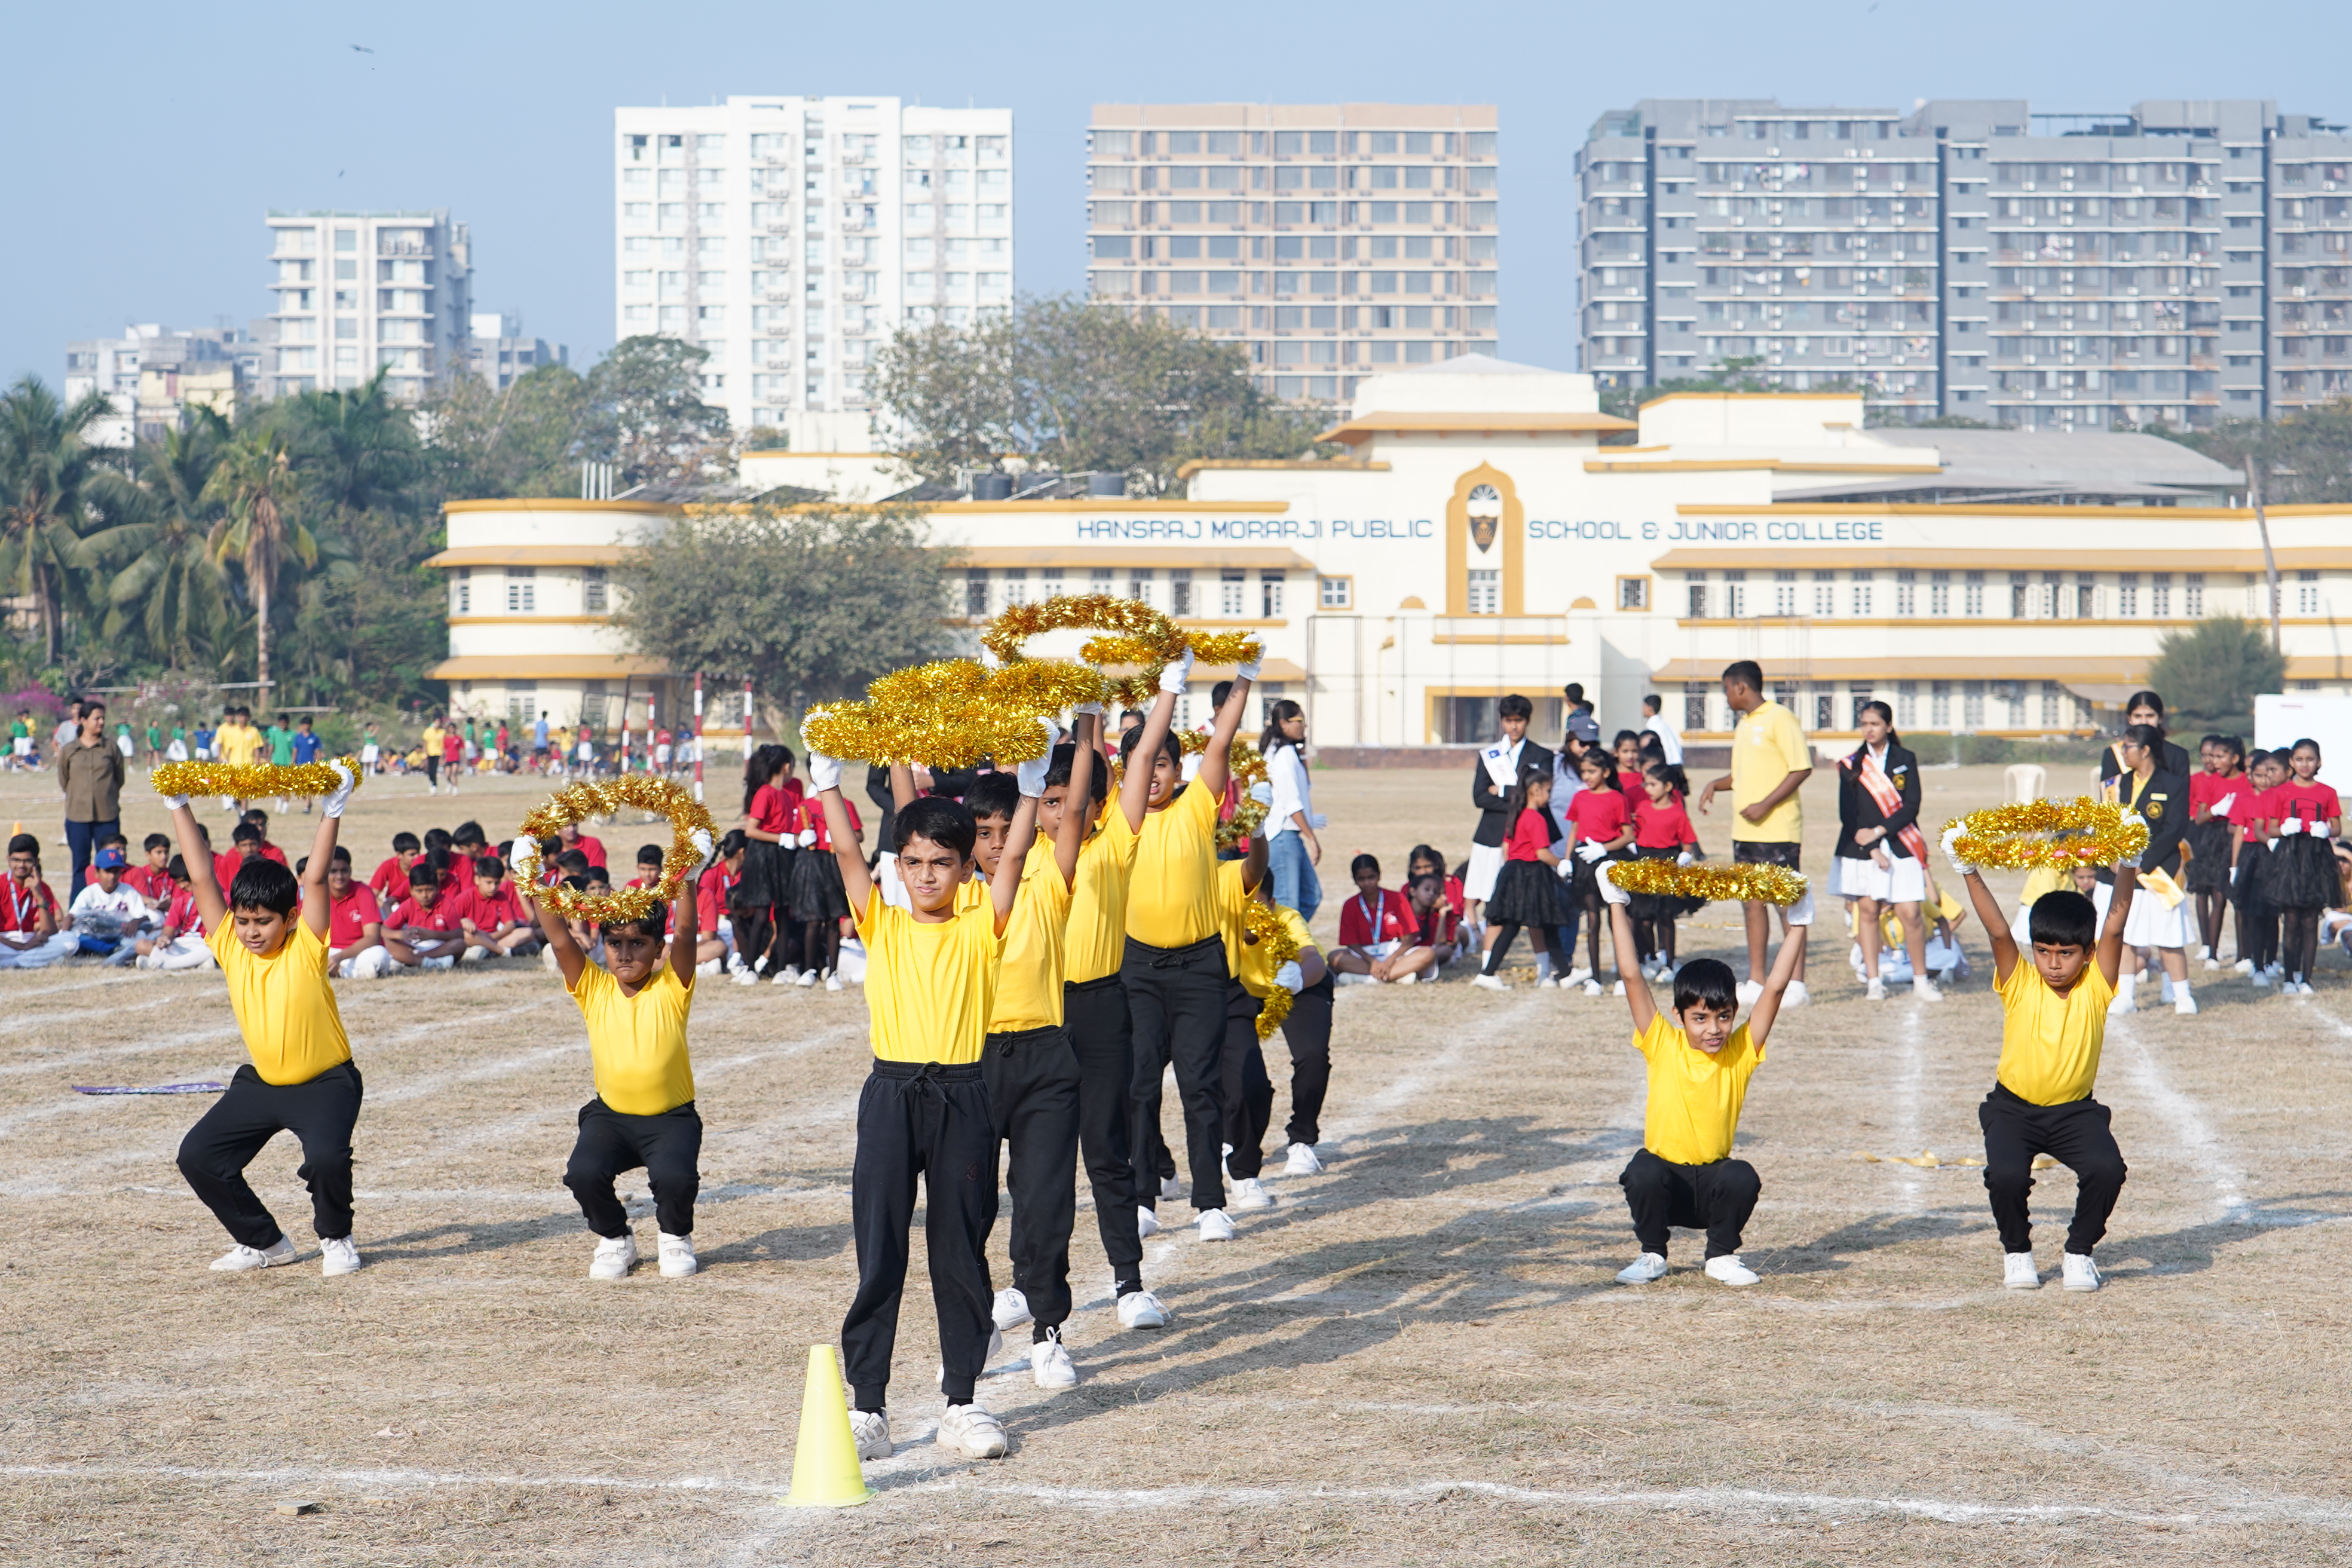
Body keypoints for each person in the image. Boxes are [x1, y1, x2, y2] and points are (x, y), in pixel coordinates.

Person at [803, 733, 1039, 1466]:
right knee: (880, 1252)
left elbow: (1020, 856)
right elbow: (846, 855)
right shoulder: (884, 921)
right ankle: (867, 1405)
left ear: (969, 867)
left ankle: (962, 1402)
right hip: (891, 1093)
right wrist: (826, 782)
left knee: (961, 1251)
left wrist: (1030, 789)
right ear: (897, 866)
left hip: (966, 1095)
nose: (928, 874)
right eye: (914, 861)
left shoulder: (983, 921)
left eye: (944, 861)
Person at [166, 761, 367, 1277]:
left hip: (326, 1083)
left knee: (325, 1159)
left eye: (264, 922)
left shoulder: (307, 944)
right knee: (198, 1157)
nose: (252, 932)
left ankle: (336, 1238)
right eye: (246, 921)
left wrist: (332, 810)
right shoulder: (230, 945)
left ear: (291, 918)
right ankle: (266, 1242)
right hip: (261, 1084)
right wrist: (178, 804)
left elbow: (315, 876)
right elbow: (202, 873)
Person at [1947, 812, 2142, 1293]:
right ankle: (2018, 1253)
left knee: (2108, 1169)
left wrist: (2129, 866)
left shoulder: (2098, 985)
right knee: (2007, 1176)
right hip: (2012, 1109)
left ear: (2088, 953)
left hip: (2075, 1113)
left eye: (2066, 954)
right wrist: (1967, 868)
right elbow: (1996, 931)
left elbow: (2115, 928)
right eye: (2044, 951)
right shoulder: (2020, 981)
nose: (2054, 964)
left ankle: (2079, 1252)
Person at [1596, 858, 1811, 1287]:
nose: (1714, 1029)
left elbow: (1775, 987)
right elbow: (1631, 975)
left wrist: (1799, 923)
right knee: (1642, 1169)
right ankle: (1653, 1254)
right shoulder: (1662, 1042)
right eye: (1700, 1019)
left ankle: (1720, 1256)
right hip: (1665, 1185)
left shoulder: (1741, 1050)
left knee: (1742, 1175)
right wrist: (1616, 903)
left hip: (1712, 1186)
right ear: (1679, 1016)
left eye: (1724, 1017)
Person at [967, 715, 1095, 1389]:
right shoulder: (954, 896)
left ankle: (1048, 1329)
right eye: (980, 836)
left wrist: (1084, 724)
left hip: (1046, 1054)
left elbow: (1071, 806)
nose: (994, 847)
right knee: (969, 1204)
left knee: (1046, 1202)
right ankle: (974, 1325)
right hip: (973, 1060)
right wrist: (898, 753)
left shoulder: (1049, 871)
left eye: (1001, 833)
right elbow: (907, 817)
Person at [532, 820, 713, 1282]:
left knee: (676, 1180)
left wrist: (688, 879)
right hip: (610, 1116)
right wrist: (533, 882)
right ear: (604, 948)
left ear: (658, 950)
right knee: (582, 1173)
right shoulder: (592, 987)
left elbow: (688, 931)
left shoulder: (673, 985)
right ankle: (616, 1237)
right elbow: (558, 939)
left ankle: (674, 1236)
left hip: (670, 1118)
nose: (626, 953)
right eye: (615, 943)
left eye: (638, 944)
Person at [1123, 651, 1261, 1243]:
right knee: (1140, 1084)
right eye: (1141, 763)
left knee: (1201, 1084)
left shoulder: (1196, 806)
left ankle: (1209, 1199)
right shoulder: (1120, 815)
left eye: (1163, 763)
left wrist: (1246, 676)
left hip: (1201, 965)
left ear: (1179, 770)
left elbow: (1222, 741)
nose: (1152, 772)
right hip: (1138, 968)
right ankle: (1142, 1195)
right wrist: (1166, 693)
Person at [1053, 687, 1169, 1325]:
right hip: (1041, 1015)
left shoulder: (1112, 842)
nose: (1061, 811)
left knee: (1105, 1150)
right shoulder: (1024, 859)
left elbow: (1143, 751)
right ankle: (1029, 1285)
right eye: (1046, 802)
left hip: (1100, 1008)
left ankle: (1129, 1283)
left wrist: (1100, 711)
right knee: (1039, 1164)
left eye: (1071, 800)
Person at [1696, 660, 1813, 1007]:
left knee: (1785, 906)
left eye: (1726, 689)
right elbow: (1740, 775)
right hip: (1744, 832)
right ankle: (1756, 980)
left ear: (1741, 687)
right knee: (1751, 905)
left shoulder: (1781, 718)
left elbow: (1801, 768)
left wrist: (1764, 804)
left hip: (1778, 831)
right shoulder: (1745, 725)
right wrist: (1714, 785)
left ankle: (1796, 983)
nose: (1726, 696)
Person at [1835, 700, 1939, 1003]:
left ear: (1889, 726)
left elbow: (1912, 805)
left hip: (1900, 843)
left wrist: (1881, 833)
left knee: (1911, 914)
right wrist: (1870, 848)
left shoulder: (1906, 758)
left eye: (1875, 724)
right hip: (1862, 849)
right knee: (1867, 912)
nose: (1869, 729)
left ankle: (1921, 981)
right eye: (1864, 724)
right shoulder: (1851, 764)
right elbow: (1848, 815)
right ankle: (1874, 982)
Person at [1474, 762, 1568, 990]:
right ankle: (1563, 973)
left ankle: (1564, 972)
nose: (1549, 795)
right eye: (1547, 790)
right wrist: (1563, 864)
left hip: (1514, 873)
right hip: (1531, 875)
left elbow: (1507, 848)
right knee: (1534, 924)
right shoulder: (1536, 818)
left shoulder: (1518, 815)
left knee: (1527, 925)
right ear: (1536, 790)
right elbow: (1543, 853)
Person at [1465, 696, 1554, 927]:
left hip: (1526, 837)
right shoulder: (1490, 755)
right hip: (1492, 834)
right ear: (1502, 722)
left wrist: (1503, 789)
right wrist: (1520, 799)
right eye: (1508, 720)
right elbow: (1480, 797)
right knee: (1486, 893)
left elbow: (1542, 792)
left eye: (1519, 720)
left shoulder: (1542, 756)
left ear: (1528, 721)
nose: (1514, 726)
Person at [2262, 738, 2342, 996]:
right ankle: (2288, 978)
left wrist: (2327, 829)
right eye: (2299, 759)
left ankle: (2306, 979)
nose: (2305, 764)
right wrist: (2284, 829)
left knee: (2310, 920)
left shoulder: (2327, 792)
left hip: (2317, 858)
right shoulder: (2281, 792)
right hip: (2290, 858)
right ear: (2292, 763)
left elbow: (2338, 826)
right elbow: (2272, 826)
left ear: (2319, 762)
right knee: (2292, 919)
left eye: (2310, 759)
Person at [1561, 748, 1636, 994]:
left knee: (1618, 920)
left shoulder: (1617, 799)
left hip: (1609, 860)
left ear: (1605, 772)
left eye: (1592, 771)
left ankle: (1621, 975)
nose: (1587, 776)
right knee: (1592, 920)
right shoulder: (1580, 797)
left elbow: (1628, 835)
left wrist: (1604, 849)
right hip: (1584, 861)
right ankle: (1595, 977)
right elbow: (1574, 829)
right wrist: (1567, 859)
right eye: (1583, 771)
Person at [1627, 761, 1702, 981]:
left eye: (1652, 784)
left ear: (1668, 786)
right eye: (1646, 784)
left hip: (1667, 863)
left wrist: (1685, 856)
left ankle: (1669, 964)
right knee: (1642, 917)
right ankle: (1648, 958)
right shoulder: (1642, 809)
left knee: (1665, 916)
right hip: (1644, 863)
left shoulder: (1677, 813)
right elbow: (1635, 834)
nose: (1647, 789)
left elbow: (1688, 841)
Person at [731, 745, 800, 984]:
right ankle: (749, 967)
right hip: (763, 856)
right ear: (786, 766)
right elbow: (751, 830)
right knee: (762, 912)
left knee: (782, 913)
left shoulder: (787, 793)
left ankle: (781, 968)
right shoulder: (766, 793)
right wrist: (783, 838)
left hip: (783, 855)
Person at [786, 779, 858, 990]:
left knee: (834, 919)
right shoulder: (804, 807)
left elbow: (859, 834)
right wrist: (801, 839)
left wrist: (842, 837)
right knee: (813, 920)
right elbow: (794, 836)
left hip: (833, 863)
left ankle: (833, 972)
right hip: (810, 865)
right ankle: (810, 969)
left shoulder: (846, 805)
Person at [2185, 735, 2246, 969]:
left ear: (2234, 758)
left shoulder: (2244, 782)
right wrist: (2216, 810)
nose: (2215, 761)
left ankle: (2244, 955)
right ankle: (2211, 951)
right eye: (2213, 756)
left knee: (2233, 897)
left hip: (2234, 838)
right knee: (2215, 896)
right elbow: (2200, 817)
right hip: (2212, 839)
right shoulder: (2210, 782)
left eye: (2220, 757)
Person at [1260, 699, 1322, 921]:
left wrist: (1303, 751)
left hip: (1289, 835)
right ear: (1284, 723)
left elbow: (1305, 787)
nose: (1304, 726)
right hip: (1283, 835)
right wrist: (1312, 838)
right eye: (1300, 721)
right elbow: (1291, 803)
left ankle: (1293, 944)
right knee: (1288, 903)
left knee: (1311, 895)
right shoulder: (1283, 754)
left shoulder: (1288, 751)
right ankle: (1283, 951)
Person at [57, 699, 127, 895]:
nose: (102, 722)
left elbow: (119, 778)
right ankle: (78, 910)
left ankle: (110, 908)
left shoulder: (111, 748)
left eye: (103, 718)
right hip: (77, 817)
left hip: (107, 816)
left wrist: (106, 795)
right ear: (83, 721)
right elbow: (64, 779)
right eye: (97, 718)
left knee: (111, 864)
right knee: (81, 865)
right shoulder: (70, 750)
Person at [1330, 853, 1434, 984]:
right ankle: (1397, 976)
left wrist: (1389, 962)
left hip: (1395, 953)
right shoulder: (1350, 905)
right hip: (1364, 955)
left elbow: (1408, 940)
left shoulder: (1397, 899)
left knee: (1428, 954)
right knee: (1335, 957)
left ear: (1379, 875)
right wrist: (1372, 961)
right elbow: (1352, 944)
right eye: (1361, 879)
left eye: (1371, 877)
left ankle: (1368, 979)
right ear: (1355, 880)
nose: (1367, 883)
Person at [68, 845, 157, 964]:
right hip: (95, 935)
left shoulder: (128, 891)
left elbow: (143, 916)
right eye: (107, 871)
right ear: (97, 873)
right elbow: (72, 916)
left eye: (116, 872)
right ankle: (112, 951)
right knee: (75, 937)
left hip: (120, 936)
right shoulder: (89, 892)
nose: (112, 876)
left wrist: (135, 922)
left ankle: (113, 951)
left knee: (139, 935)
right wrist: (64, 934)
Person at [318, 846, 391, 980]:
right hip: (329, 952)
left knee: (380, 955)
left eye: (344, 871)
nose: (340, 876)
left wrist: (339, 958)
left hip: (358, 953)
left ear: (351, 870)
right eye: (333, 871)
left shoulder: (363, 892)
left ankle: (338, 972)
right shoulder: (318, 894)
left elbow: (372, 937)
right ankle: (348, 973)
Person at [2097, 691, 2192, 789]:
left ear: (2160, 718)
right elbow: (2108, 796)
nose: (2144, 722)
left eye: (2150, 716)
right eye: (2137, 716)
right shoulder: (2114, 754)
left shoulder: (2178, 755)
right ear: (2129, 718)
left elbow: (2182, 796)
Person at [134, 856, 213, 970]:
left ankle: (163, 964)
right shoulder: (181, 901)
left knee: (213, 950)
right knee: (141, 945)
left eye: (184, 881)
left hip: (205, 943)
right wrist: (164, 938)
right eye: (177, 883)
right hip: (182, 944)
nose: (181, 886)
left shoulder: (223, 899)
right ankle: (197, 964)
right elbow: (169, 929)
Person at [451, 856, 538, 960]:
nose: (493, 887)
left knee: (528, 932)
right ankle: (504, 952)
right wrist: (463, 921)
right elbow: (452, 926)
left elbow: (510, 925)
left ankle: (490, 951)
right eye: (489, 883)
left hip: (494, 938)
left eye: (497, 883)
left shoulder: (501, 897)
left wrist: (492, 937)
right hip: (475, 937)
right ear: (477, 880)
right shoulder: (464, 898)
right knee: (467, 936)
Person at [384, 862, 466, 970]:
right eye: (419, 891)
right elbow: (384, 930)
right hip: (414, 946)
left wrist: (432, 935)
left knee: (460, 944)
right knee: (386, 940)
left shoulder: (446, 903)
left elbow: (459, 934)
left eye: (429, 890)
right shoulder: (409, 904)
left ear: (437, 887)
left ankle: (414, 960)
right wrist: (401, 934)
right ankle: (427, 963)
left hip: (439, 948)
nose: (425, 895)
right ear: (411, 891)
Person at [289, 716, 325, 813]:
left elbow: (318, 751)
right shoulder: (298, 737)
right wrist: (292, 763)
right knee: (299, 789)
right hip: (299, 764)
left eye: (308, 724)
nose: (306, 726)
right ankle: (308, 802)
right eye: (304, 724)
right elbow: (295, 751)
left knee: (308, 787)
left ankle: (306, 807)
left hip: (310, 765)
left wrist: (319, 764)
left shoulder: (314, 737)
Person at [1641, 691, 1685, 767]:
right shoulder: (1664, 725)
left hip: (1668, 766)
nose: (1642, 709)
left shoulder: (1654, 727)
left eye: (1644, 706)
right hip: (1676, 763)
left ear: (1650, 708)